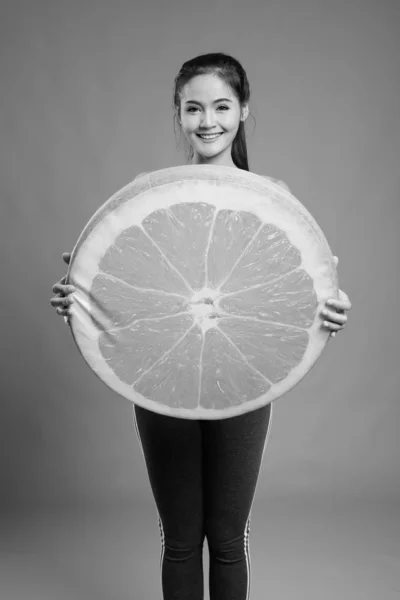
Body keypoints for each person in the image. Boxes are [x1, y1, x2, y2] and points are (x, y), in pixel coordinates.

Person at [50, 53, 352, 600]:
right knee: (182, 541)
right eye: (193, 108)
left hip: (244, 383)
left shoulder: (273, 197)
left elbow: (295, 287)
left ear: (243, 111)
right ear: (179, 115)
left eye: (221, 106)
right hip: (161, 381)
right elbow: (126, 284)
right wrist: (79, 292)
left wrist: (330, 308)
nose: (207, 120)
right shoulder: (146, 193)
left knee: (229, 540)